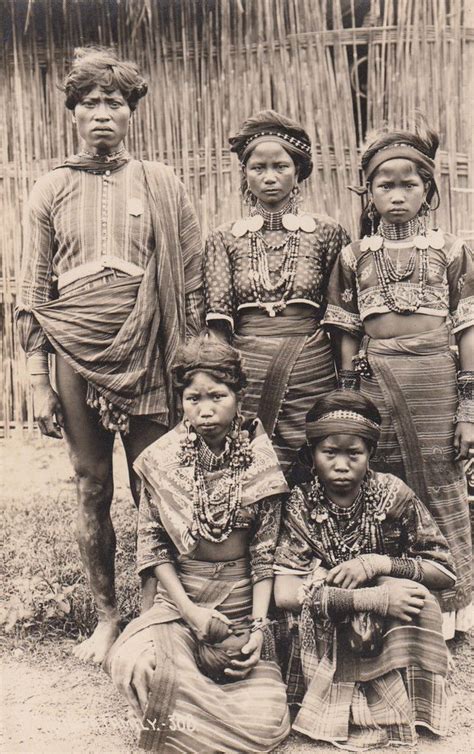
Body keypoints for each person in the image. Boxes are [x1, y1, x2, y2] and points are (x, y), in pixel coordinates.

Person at [15, 48, 204, 662]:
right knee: (92, 485)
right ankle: (105, 617)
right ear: (72, 113)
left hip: (151, 347)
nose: (102, 114)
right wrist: (38, 380)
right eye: (90, 103)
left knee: (155, 483)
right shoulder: (51, 187)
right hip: (75, 350)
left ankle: (156, 613)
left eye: (114, 103)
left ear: (131, 113)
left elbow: (193, 276)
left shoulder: (163, 183)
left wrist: (194, 363)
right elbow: (33, 290)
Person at [104, 337, 290, 753]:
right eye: (193, 399)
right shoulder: (162, 460)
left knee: (267, 719)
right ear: (181, 402)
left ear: (239, 396)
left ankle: (184, 721)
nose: (205, 410)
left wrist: (259, 629)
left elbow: (264, 556)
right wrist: (189, 612)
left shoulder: (261, 462)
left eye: (218, 396)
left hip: (242, 608)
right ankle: (187, 705)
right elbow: (153, 550)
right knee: (134, 664)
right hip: (180, 602)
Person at [323, 120, 473, 636]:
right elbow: (344, 328)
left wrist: (468, 406)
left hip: (435, 377)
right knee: (383, 478)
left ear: (428, 190)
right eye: (385, 184)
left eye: (409, 183)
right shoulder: (353, 256)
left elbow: (468, 326)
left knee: (441, 479)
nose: (397, 194)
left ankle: (450, 606)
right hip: (375, 377)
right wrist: (347, 386)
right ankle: (385, 600)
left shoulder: (452, 251)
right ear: (368, 191)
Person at [274, 390, 456, 750]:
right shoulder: (300, 503)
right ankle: (342, 706)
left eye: (354, 453)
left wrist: (378, 563)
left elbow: (445, 572)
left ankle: (410, 701)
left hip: (388, 624)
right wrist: (371, 598)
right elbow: (283, 593)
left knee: (420, 599)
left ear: (370, 453)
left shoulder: (394, 494)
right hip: (331, 618)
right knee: (331, 603)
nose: (342, 464)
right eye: (330, 453)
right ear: (312, 454)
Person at [204, 110, 350, 476]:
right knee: (250, 458)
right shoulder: (224, 237)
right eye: (258, 168)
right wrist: (224, 383)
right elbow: (219, 320)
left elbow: (340, 314)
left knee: (313, 454)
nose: (269, 177)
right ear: (244, 173)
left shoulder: (327, 232)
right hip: (247, 365)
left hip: (312, 364)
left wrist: (343, 380)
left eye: (280, 166)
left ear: (298, 172)